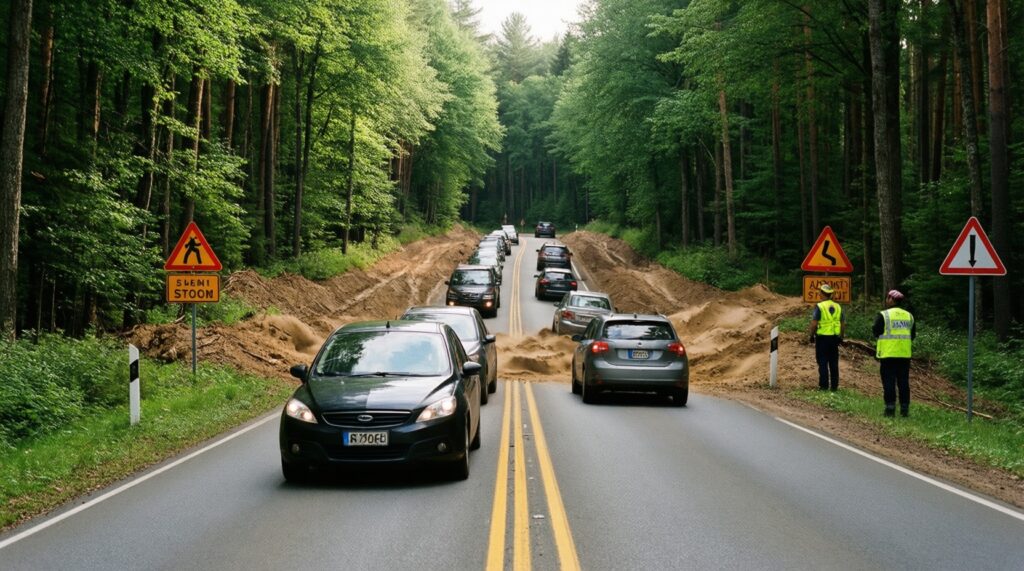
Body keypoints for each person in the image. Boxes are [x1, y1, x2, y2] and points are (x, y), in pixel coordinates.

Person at [873, 289, 916, 417]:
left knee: (889, 381)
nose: (886, 300)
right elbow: (912, 335)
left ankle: (890, 409)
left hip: (888, 354)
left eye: (887, 298)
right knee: (903, 382)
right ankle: (904, 409)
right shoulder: (909, 316)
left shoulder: (884, 315)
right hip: (904, 354)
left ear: (891, 299)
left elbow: (876, 331)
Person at [807, 283, 845, 391]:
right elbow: (842, 323)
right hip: (834, 338)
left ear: (822, 294)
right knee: (834, 362)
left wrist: (811, 335)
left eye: (820, 292)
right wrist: (841, 337)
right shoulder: (838, 306)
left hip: (822, 338)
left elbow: (814, 323)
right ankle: (834, 386)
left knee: (822, 362)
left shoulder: (820, 306)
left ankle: (823, 386)